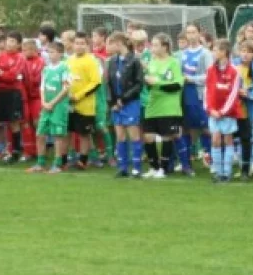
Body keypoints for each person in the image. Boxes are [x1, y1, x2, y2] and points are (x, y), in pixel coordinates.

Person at [141, 33, 184, 179]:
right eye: (151, 44)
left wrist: (156, 82)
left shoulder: (173, 62)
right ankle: (153, 167)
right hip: (152, 105)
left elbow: (177, 84)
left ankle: (163, 169)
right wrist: (146, 82)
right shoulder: (151, 62)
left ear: (165, 47)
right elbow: (149, 84)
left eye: (155, 45)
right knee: (147, 136)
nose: (152, 48)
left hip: (168, 106)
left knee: (167, 137)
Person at [28, 42, 70, 174]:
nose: (50, 55)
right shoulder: (45, 69)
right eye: (49, 52)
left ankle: (57, 163)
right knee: (40, 133)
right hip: (46, 106)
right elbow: (42, 87)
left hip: (58, 106)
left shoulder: (64, 68)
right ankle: (40, 163)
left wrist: (53, 102)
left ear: (60, 53)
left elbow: (65, 89)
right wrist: (44, 102)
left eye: (53, 52)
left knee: (58, 135)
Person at [105, 32, 144, 178]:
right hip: (116, 105)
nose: (108, 47)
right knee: (120, 135)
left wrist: (124, 99)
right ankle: (122, 167)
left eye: (111, 43)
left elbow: (139, 84)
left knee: (134, 135)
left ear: (119, 43)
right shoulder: (112, 61)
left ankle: (137, 168)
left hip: (130, 103)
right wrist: (113, 103)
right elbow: (108, 84)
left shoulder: (134, 60)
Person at [204, 39, 241, 183]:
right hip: (213, 113)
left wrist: (223, 111)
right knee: (215, 140)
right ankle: (218, 172)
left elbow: (233, 94)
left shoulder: (234, 71)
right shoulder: (210, 70)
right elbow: (207, 91)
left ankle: (227, 172)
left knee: (228, 139)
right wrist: (210, 109)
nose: (213, 53)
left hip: (227, 113)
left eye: (215, 50)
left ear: (224, 52)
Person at [67, 32, 102, 170]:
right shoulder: (69, 60)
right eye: (77, 43)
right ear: (73, 44)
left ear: (87, 45)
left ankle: (83, 160)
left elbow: (96, 83)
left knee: (84, 134)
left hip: (85, 105)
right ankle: (66, 158)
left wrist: (78, 96)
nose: (79, 46)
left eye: (82, 43)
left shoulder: (91, 61)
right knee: (68, 132)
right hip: (69, 103)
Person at [180, 23, 212, 172]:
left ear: (199, 34)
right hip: (185, 94)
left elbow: (210, 75)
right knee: (186, 128)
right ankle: (186, 161)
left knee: (205, 127)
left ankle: (209, 155)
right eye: (188, 33)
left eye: (193, 32)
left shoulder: (205, 53)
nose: (191, 35)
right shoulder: (182, 53)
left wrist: (192, 79)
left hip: (200, 94)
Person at [0, 31, 26, 163]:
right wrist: (1, 74)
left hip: (13, 93)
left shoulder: (20, 58)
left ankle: (15, 152)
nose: (9, 44)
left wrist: (1, 73)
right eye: (8, 40)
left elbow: (13, 76)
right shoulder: (1, 56)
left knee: (14, 122)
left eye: (12, 41)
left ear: (18, 45)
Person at [235, 39, 253, 179]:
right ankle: (225, 168)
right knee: (229, 137)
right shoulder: (233, 65)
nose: (245, 54)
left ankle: (246, 169)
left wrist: (249, 94)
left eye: (250, 52)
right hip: (231, 108)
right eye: (243, 51)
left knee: (246, 138)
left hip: (246, 108)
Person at [21, 39, 45, 160]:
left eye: (28, 49)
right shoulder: (22, 61)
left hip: (36, 97)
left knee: (37, 123)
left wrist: (26, 79)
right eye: (24, 50)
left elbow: (37, 79)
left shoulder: (41, 62)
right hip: (26, 98)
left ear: (35, 50)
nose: (25, 52)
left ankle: (40, 150)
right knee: (26, 123)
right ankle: (28, 151)